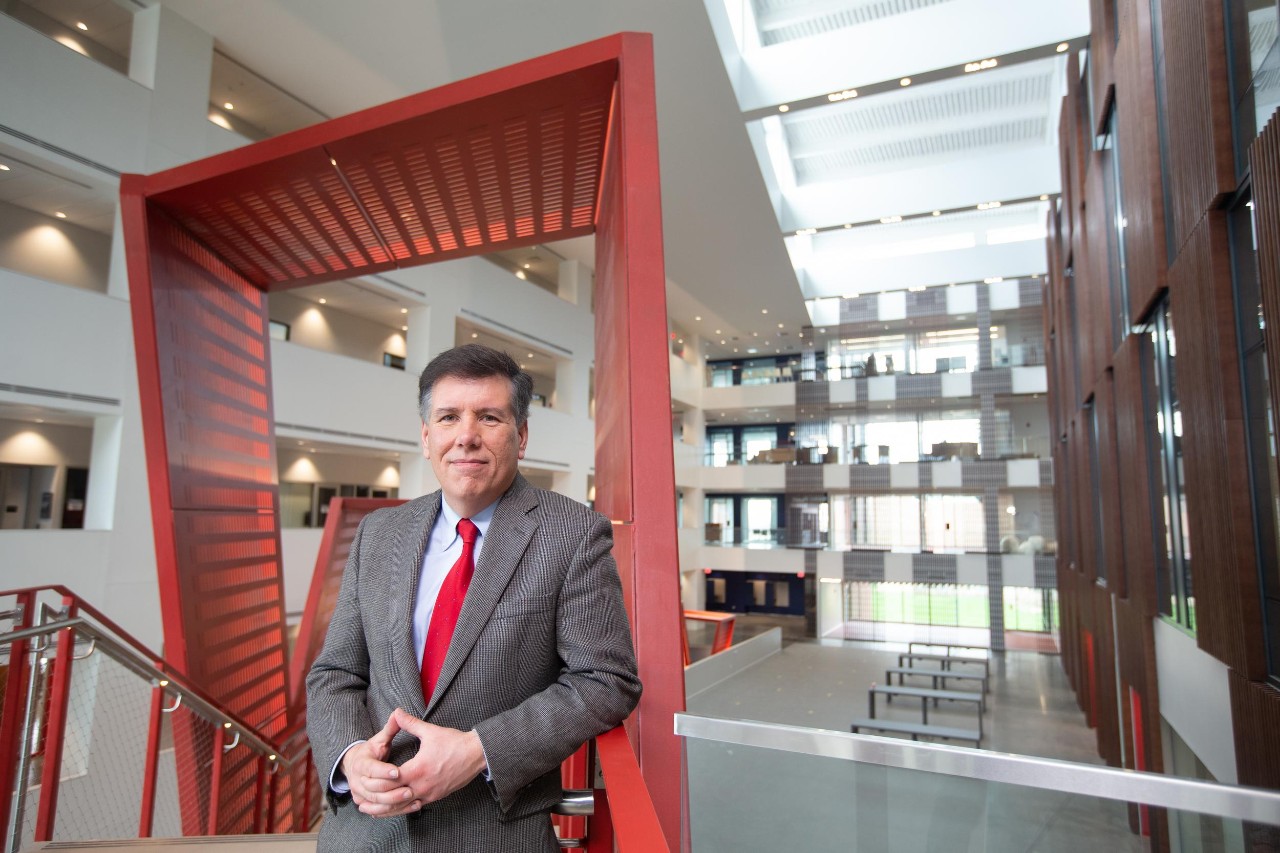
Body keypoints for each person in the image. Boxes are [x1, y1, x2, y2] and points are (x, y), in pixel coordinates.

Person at [306, 344, 642, 851]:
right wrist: (350, 757)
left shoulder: (573, 534)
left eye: (489, 417)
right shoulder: (379, 534)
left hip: (493, 834)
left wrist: (478, 751)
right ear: (426, 437)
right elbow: (336, 673)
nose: (466, 436)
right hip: (367, 833)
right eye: (448, 417)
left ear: (521, 435)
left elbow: (606, 681)